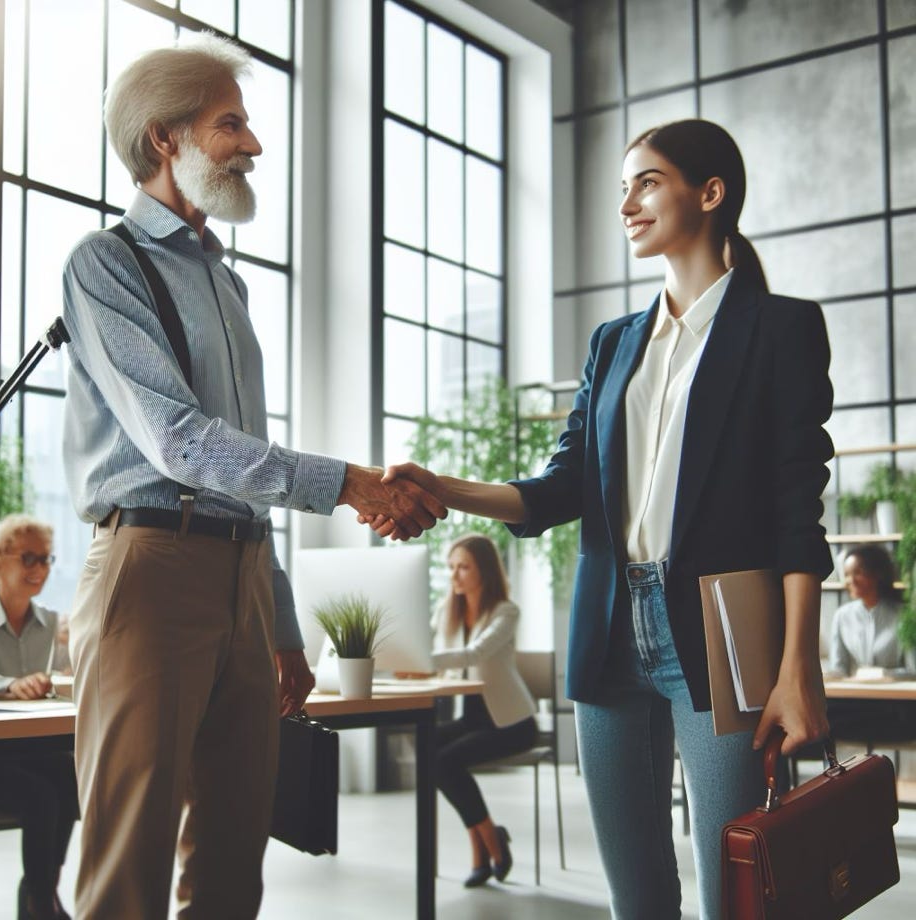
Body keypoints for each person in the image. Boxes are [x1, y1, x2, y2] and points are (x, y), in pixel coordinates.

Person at [367, 120, 834, 919]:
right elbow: (561, 487)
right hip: (609, 626)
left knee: (741, 895)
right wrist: (444, 486)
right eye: (623, 186)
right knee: (637, 899)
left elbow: (798, 513)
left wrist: (799, 668)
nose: (627, 202)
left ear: (710, 193)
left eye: (646, 181)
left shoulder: (779, 328)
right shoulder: (613, 344)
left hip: (723, 634)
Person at [61, 34, 444, 919]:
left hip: (237, 575)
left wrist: (275, 619)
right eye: (230, 123)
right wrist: (351, 482)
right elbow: (180, 444)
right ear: (165, 139)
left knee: (235, 859)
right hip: (148, 570)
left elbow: (241, 465)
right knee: (129, 865)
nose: (254, 144)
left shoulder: (227, 287)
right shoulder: (105, 263)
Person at [429, 534, 537, 888]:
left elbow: (475, 653)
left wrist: (424, 661)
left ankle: (485, 846)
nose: (455, 575)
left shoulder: (506, 612)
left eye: (463, 567)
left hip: (511, 723)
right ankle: (490, 837)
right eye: (451, 567)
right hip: (472, 718)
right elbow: (424, 644)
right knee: (427, 747)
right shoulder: (447, 611)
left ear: (484, 571)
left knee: (444, 762)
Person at [0, 514, 78, 920]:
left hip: (26, 750)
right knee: (41, 795)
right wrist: (8, 684)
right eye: (29, 558)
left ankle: (41, 892)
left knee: (72, 775)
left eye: (46, 559)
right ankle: (40, 902)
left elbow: (65, 677)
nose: (40, 570)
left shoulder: (50, 623)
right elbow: (14, 686)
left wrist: (62, 674)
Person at [824, 543, 914, 741]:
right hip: (859, 702)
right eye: (847, 574)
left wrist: (882, 675)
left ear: (877, 574)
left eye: (858, 572)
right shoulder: (842, 616)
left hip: (896, 705)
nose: (850, 580)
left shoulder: (905, 615)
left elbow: (914, 671)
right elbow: (839, 669)